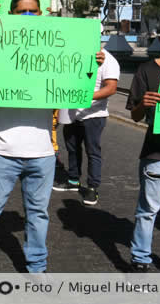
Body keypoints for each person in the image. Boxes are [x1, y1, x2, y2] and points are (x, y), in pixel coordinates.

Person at [0, 0, 105, 273]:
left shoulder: (56, 49)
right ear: (12, 14)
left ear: (41, 14)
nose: (28, 16)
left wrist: (89, 65)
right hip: (1, 151)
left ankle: (37, 267)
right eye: (22, 12)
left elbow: (72, 89)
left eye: (33, 11)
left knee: (37, 215)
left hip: (42, 153)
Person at [54, 31, 120, 206]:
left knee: (93, 151)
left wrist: (85, 96)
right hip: (71, 113)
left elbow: (111, 88)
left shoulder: (109, 60)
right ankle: (73, 180)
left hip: (94, 115)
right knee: (72, 148)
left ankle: (92, 187)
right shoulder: (73, 57)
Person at [126, 21, 160, 272]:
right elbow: (134, 117)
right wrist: (144, 103)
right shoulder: (147, 71)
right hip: (157, 152)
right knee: (149, 209)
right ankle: (141, 258)